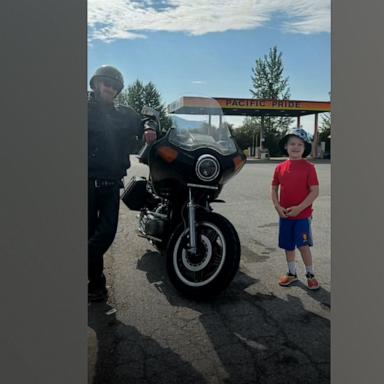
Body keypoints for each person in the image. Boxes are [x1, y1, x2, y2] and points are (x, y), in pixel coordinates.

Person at [88, 65, 157, 302]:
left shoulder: (125, 113)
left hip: (111, 182)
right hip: (84, 181)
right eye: (106, 83)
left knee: (106, 232)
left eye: (114, 86)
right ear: (96, 84)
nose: (110, 88)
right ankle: (96, 286)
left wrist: (149, 127)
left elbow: (146, 119)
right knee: (89, 233)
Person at [271, 128, 320, 290]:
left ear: (304, 148)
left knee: (303, 246)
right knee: (288, 245)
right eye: (292, 143)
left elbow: (315, 191)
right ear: (286, 146)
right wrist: (277, 207)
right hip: (285, 216)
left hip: (302, 216)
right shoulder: (280, 167)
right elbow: (274, 189)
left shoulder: (309, 167)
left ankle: (310, 274)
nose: (296, 147)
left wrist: (299, 208)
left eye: (300, 144)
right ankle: (292, 272)